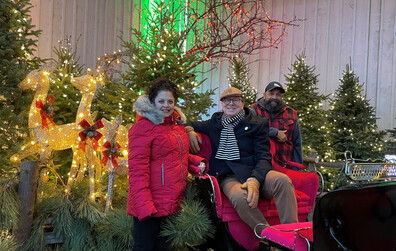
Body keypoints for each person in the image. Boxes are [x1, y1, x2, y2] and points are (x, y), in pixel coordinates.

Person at [187, 87, 298, 235]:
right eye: (227, 100)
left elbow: (264, 156)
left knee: (282, 180)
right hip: (228, 176)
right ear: (222, 103)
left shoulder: (257, 123)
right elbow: (187, 123)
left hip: (256, 171)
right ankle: (271, 236)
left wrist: (255, 179)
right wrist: (189, 130)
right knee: (240, 197)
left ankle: (292, 235)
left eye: (235, 100)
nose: (231, 103)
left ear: (242, 102)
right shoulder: (215, 122)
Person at [127, 77, 207, 251]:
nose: (166, 105)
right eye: (161, 101)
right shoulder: (142, 128)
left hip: (172, 201)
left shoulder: (176, 127)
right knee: (144, 247)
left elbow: (176, 156)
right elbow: (137, 171)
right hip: (150, 204)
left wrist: (196, 162)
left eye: (170, 101)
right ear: (152, 102)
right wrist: (145, 206)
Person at [250, 81, 303, 167]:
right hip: (258, 165)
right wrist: (275, 132)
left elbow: (297, 143)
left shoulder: (291, 113)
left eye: (278, 95)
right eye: (271, 94)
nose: (274, 97)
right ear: (264, 95)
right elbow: (251, 129)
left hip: (285, 166)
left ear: (282, 97)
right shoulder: (254, 110)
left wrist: (297, 167)